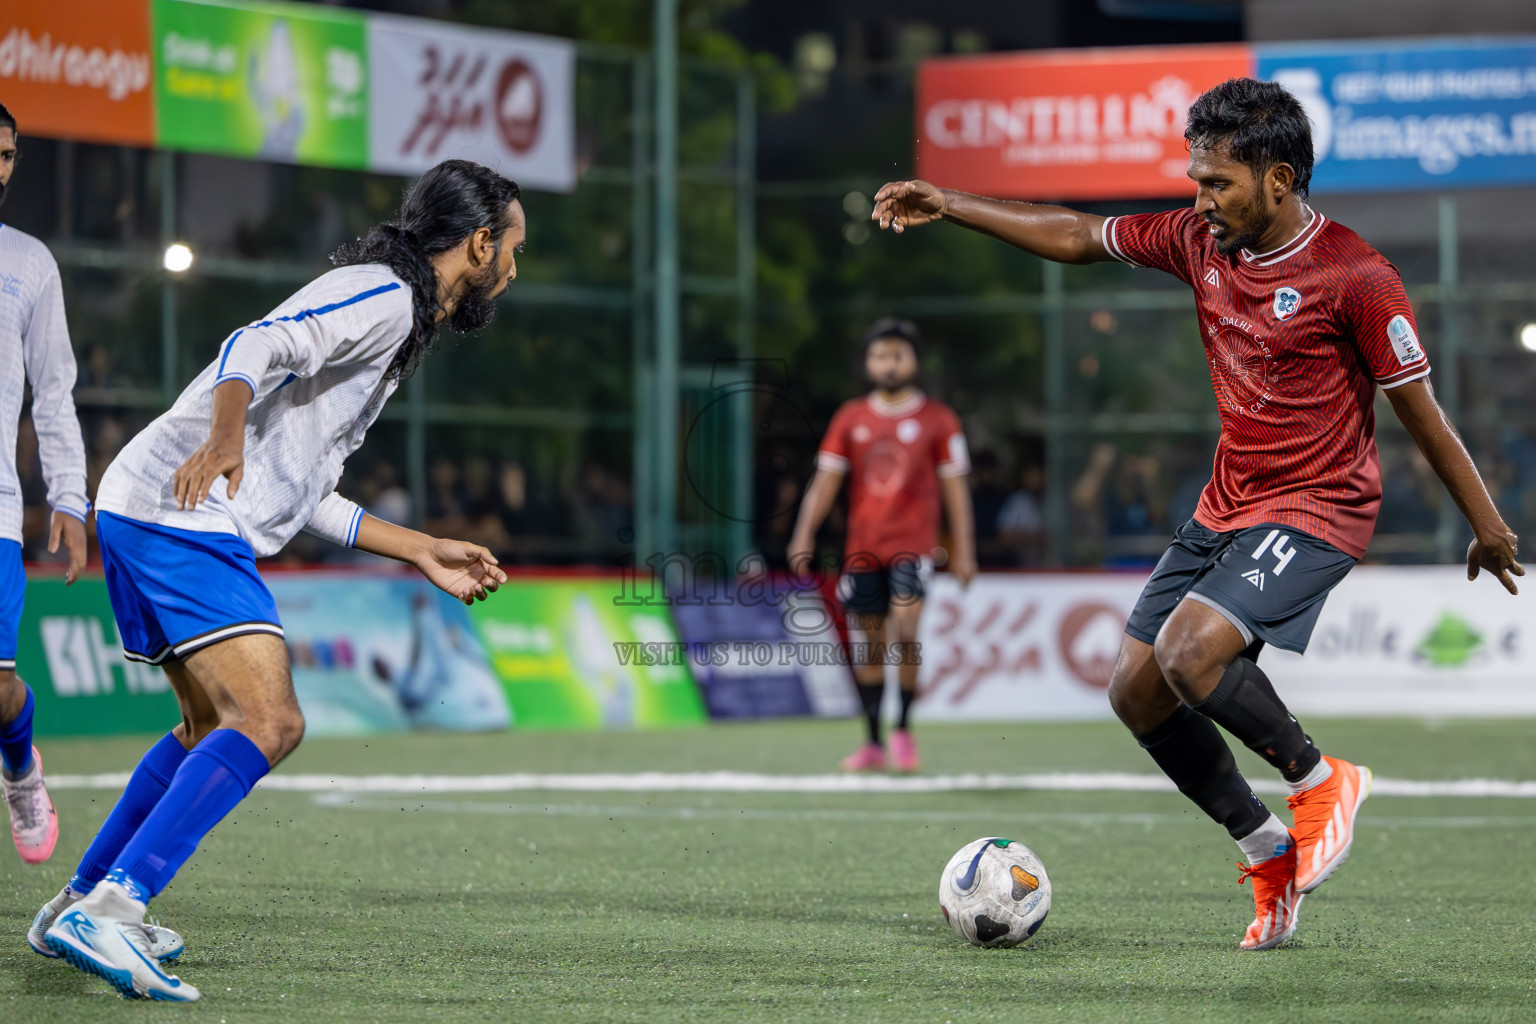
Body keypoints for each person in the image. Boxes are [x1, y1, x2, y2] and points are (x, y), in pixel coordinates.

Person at [871, 78, 1522, 950]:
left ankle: (1322, 778)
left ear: (1279, 179)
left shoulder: (1359, 277)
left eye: (1218, 182)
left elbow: (1422, 412)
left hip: (1319, 505)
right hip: (1228, 506)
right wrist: (950, 202)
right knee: (1135, 691)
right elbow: (1074, 234)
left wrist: (1487, 523)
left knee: (1187, 654)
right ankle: (1267, 853)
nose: (1199, 198)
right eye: (1196, 178)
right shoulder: (1196, 241)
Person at [33, 159, 521, 1001]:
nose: (516, 269)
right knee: (270, 719)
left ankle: (81, 899)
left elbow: (305, 495)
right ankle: (115, 907)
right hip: (178, 512)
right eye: (514, 249)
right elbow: (251, 344)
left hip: (151, 507)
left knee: (204, 728)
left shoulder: (397, 329)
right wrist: (224, 438)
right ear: (479, 244)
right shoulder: (383, 296)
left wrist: (418, 548)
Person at [789, 318, 976, 773]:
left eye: (897, 355)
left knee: (907, 629)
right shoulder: (850, 418)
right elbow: (825, 482)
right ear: (868, 363)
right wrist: (803, 531)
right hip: (863, 550)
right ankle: (872, 742)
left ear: (912, 360)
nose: (888, 364)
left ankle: (904, 730)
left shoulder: (938, 419)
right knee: (870, 646)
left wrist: (966, 549)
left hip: (914, 548)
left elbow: (956, 489)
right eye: (879, 356)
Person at [0, 103, 91, 866]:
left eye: (8, 155)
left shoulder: (29, 262)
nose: (1, 166)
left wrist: (69, 496)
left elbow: (53, 392)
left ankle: (20, 763)